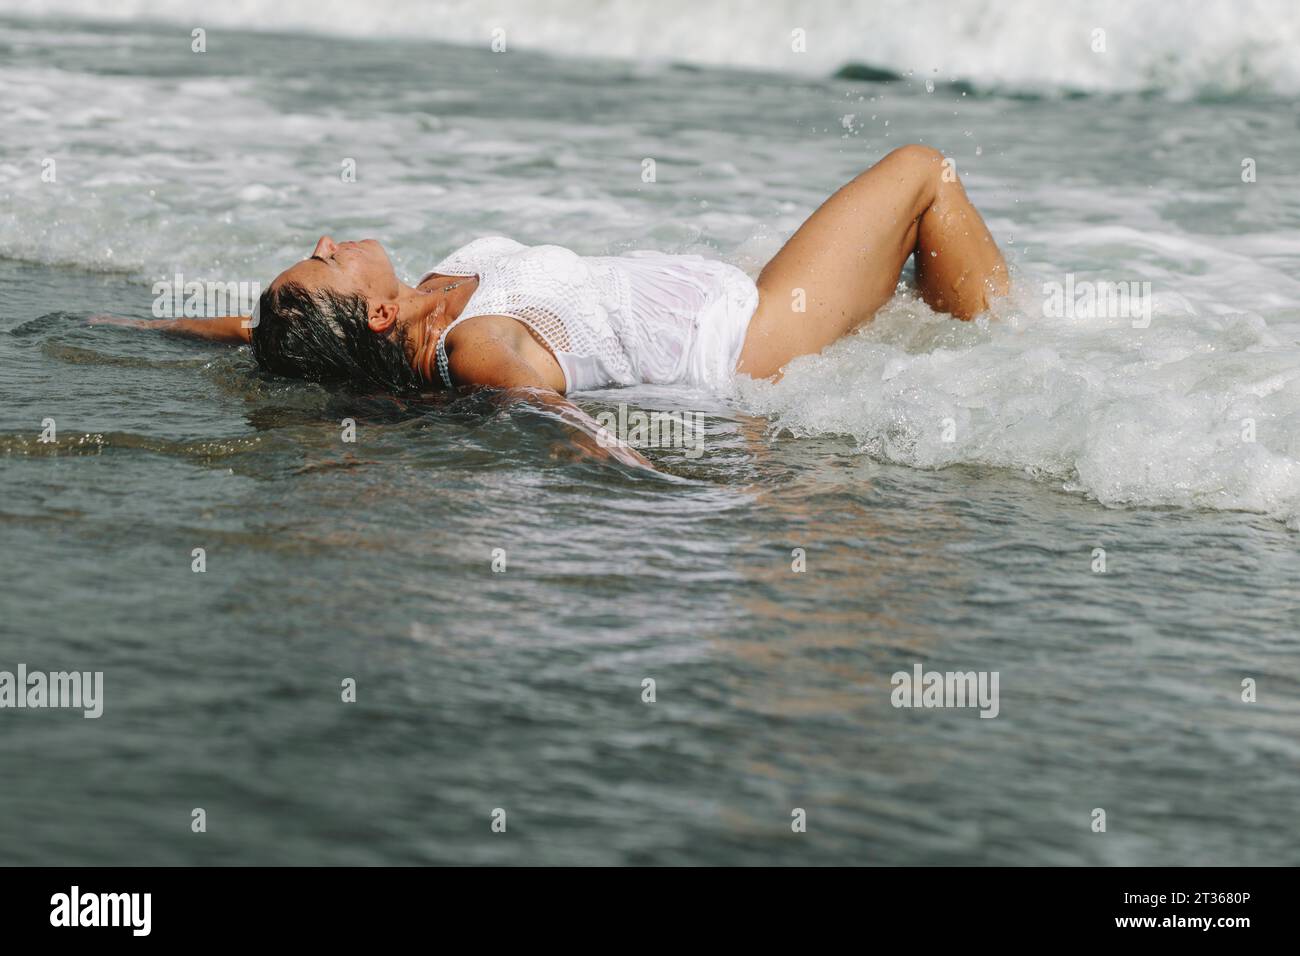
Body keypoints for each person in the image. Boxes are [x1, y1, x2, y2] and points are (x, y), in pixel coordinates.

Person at [97, 144, 1007, 464]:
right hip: (751, 335)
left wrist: (146, 325)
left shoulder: (418, 300)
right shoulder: (478, 343)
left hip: (731, 291)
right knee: (925, 173)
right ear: (374, 317)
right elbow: (563, 421)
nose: (329, 242)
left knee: (901, 230)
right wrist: (688, 484)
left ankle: (960, 333)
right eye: (321, 260)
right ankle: (1013, 353)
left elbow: (271, 335)